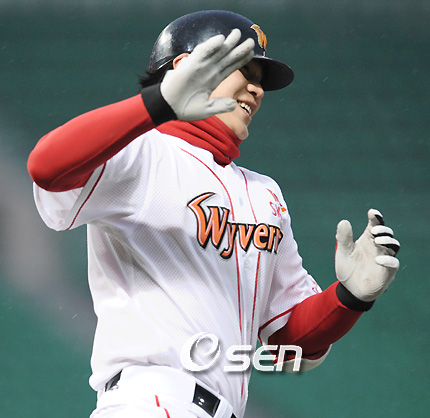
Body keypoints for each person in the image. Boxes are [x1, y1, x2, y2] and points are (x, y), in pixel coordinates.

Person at [27, 10, 400, 418]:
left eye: (261, 79)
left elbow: (288, 339)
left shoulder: (264, 192)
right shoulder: (141, 153)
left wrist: (349, 298)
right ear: (186, 67)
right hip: (149, 401)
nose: (257, 89)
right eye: (244, 70)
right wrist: (158, 103)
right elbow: (46, 166)